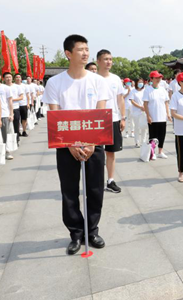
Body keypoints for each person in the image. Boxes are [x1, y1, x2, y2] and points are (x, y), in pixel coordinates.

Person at [42, 34, 109, 255]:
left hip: (94, 143)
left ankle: (92, 230)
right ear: (68, 53)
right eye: (80, 49)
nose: (85, 53)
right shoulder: (55, 83)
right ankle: (76, 233)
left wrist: (91, 143)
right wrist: (70, 143)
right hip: (66, 145)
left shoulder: (98, 81)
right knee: (69, 191)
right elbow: (55, 115)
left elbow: (100, 113)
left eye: (87, 49)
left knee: (95, 189)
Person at [96, 49, 124, 194]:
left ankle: (110, 180)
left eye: (110, 59)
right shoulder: (92, 79)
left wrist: (122, 117)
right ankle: (96, 181)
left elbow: (120, 99)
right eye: (106, 59)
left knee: (111, 152)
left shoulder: (116, 79)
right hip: (96, 121)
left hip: (113, 119)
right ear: (98, 61)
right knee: (96, 153)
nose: (109, 62)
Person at [143, 70, 171, 159]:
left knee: (162, 135)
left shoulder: (163, 89)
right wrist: (148, 116)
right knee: (153, 135)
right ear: (151, 79)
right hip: (153, 117)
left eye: (159, 78)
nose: (158, 79)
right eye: (156, 78)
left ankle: (160, 152)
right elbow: (145, 104)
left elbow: (166, 102)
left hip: (162, 116)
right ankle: (152, 153)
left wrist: (168, 114)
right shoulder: (147, 89)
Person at [128, 78, 148, 147]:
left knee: (144, 127)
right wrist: (140, 107)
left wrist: (144, 107)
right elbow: (132, 101)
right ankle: (137, 142)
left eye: (142, 82)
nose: (140, 83)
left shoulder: (145, 90)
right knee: (137, 127)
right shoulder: (133, 91)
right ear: (136, 83)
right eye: (139, 82)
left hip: (144, 111)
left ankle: (143, 141)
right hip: (136, 112)